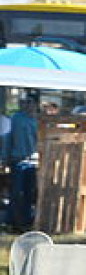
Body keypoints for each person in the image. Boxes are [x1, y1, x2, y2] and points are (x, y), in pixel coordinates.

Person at [3, 94, 39, 231]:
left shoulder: (37, 120)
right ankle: (13, 222)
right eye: (23, 102)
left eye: (29, 102)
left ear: (35, 104)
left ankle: (26, 220)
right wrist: (5, 158)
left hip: (34, 161)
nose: (26, 105)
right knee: (17, 192)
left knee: (30, 193)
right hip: (18, 160)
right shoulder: (17, 119)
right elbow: (8, 138)